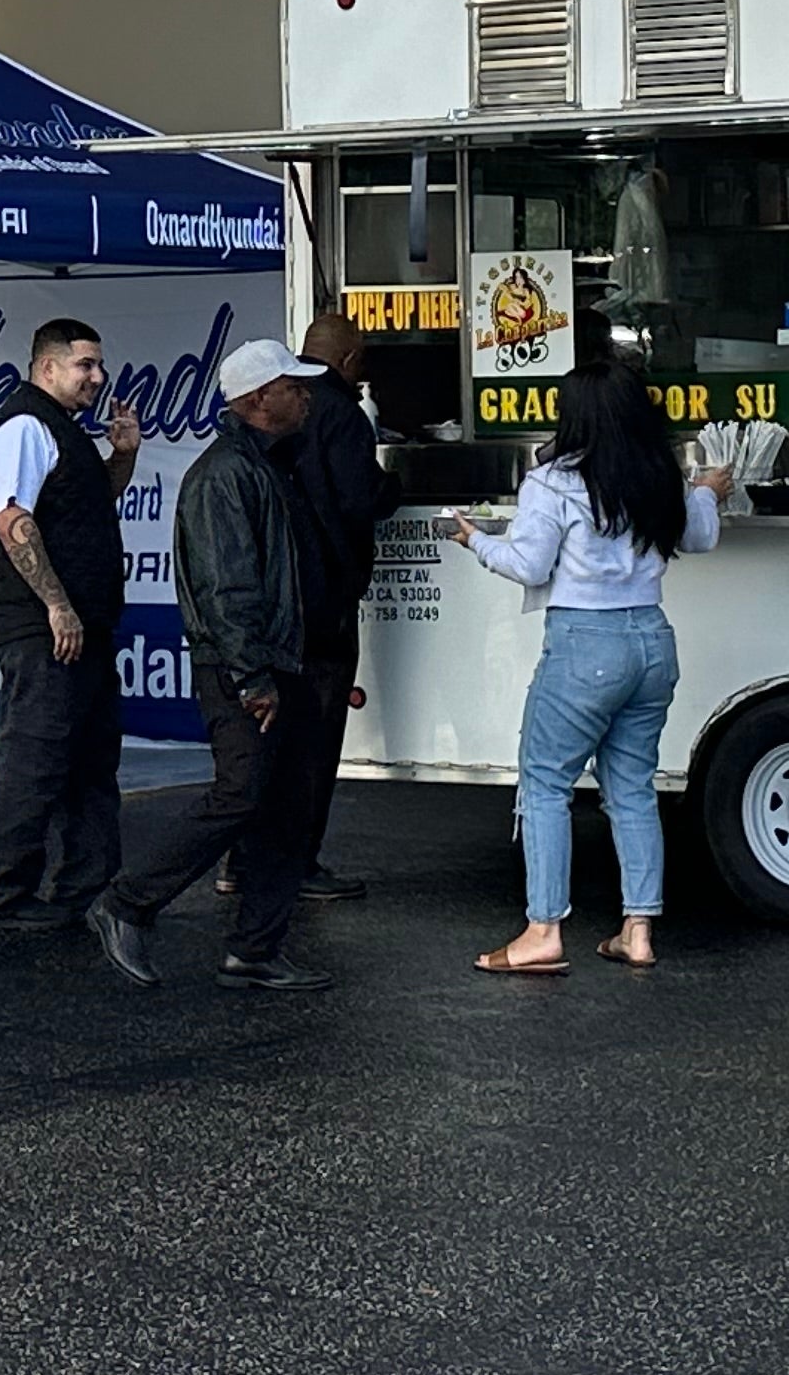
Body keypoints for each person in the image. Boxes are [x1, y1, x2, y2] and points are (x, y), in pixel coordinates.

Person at [90, 338, 341, 994]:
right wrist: (252, 676)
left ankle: (254, 949)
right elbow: (228, 588)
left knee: (287, 805)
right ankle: (127, 903)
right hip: (247, 666)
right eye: (293, 384)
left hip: (283, 659)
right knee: (243, 793)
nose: (305, 394)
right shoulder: (227, 474)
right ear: (259, 400)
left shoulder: (270, 464)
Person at [461, 365, 721, 976]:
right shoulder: (661, 475)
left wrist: (473, 539)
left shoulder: (552, 482)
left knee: (546, 784)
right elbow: (703, 536)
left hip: (585, 643)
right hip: (653, 642)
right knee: (630, 787)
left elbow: (528, 564)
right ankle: (637, 929)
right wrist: (708, 488)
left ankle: (543, 931)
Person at [0, 322, 139, 941]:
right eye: (85, 365)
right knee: (32, 763)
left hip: (83, 627)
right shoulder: (25, 425)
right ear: (47, 367)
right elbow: (14, 521)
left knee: (91, 761)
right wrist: (57, 607)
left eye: (98, 365)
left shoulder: (62, 431)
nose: (96, 378)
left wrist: (122, 458)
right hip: (45, 632)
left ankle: (87, 887)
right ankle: (1, 897)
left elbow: (86, 510)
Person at [267, 305, 398, 904]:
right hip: (327, 601)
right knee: (317, 740)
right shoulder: (344, 414)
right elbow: (359, 499)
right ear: (349, 361)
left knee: (272, 741)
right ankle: (300, 861)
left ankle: (250, 860)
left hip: (274, 598)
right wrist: (393, 485)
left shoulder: (276, 404)